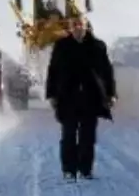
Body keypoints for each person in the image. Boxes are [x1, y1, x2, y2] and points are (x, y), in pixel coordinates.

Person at [44, 18, 116, 180]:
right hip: (67, 98)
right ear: (70, 28)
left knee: (88, 137)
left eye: (80, 25)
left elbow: (107, 72)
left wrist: (110, 94)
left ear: (86, 27)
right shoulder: (62, 46)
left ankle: (85, 169)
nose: (77, 28)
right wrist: (52, 94)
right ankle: (69, 169)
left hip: (91, 98)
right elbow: (53, 71)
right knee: (68, 135)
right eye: (74, 25)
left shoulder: (97, 46)